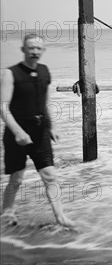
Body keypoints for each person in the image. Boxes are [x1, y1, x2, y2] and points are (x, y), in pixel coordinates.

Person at [0, 34, 74, 227]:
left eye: (38, 48)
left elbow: (45, 103)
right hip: (16, 134)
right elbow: (3, 108)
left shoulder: (44, 71)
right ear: (23, 49)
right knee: (16, 179)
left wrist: (52, 127)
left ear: (43, 51)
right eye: (31, 48)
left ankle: (60, 217)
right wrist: (17, 132)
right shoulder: (10, 73)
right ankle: (7, 214)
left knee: (50, 175)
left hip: (40, 132)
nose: (34, 52)